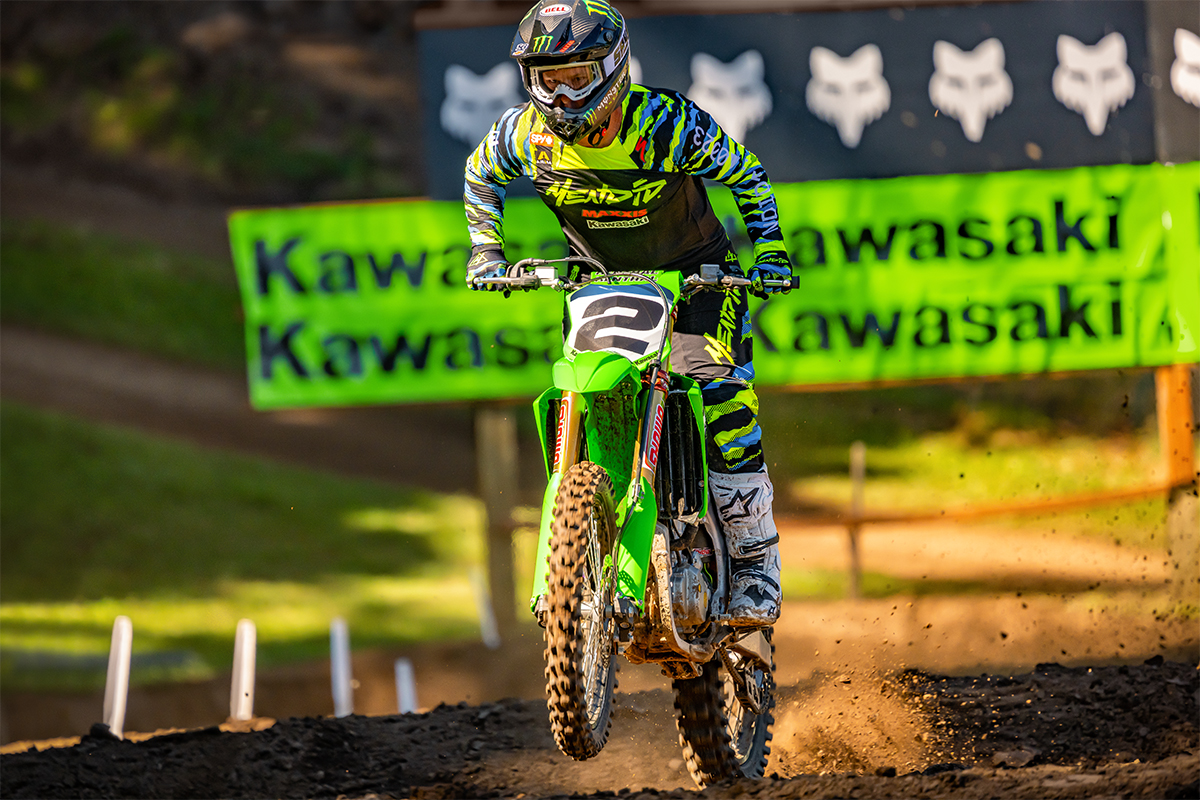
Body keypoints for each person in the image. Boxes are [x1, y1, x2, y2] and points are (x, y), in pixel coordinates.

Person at [462, 0, 792, 627]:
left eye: (576, 78)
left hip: (699, 280)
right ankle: (581, 546)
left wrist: (768, 251)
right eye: (546, 80)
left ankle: (754, 566)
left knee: (722, 401)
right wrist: (487, 250)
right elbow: (481, 175)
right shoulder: (524, 136)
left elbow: (745, 174)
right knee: (581, 388)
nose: (559, 99)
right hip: (598, 281)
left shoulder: (667, 126)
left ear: (613, 70)